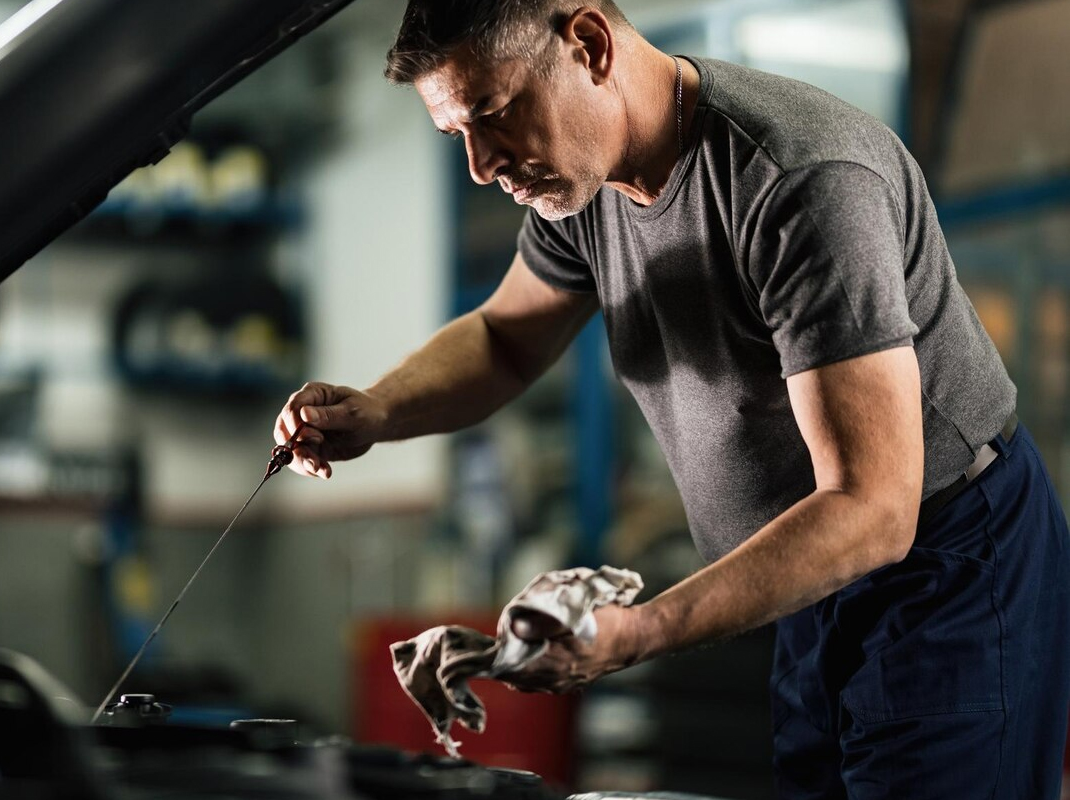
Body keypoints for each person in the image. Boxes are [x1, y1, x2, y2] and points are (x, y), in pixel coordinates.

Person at [274, 1, 1070, 796]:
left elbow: (872, 507)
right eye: (459, 137)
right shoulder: (576, 183)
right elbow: (506, 339)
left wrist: (638, 631)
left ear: (588, 45)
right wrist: (377, 411)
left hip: (946, 565)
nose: (483, 165)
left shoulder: (799, 178)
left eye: (495, 113)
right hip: (810, 571)